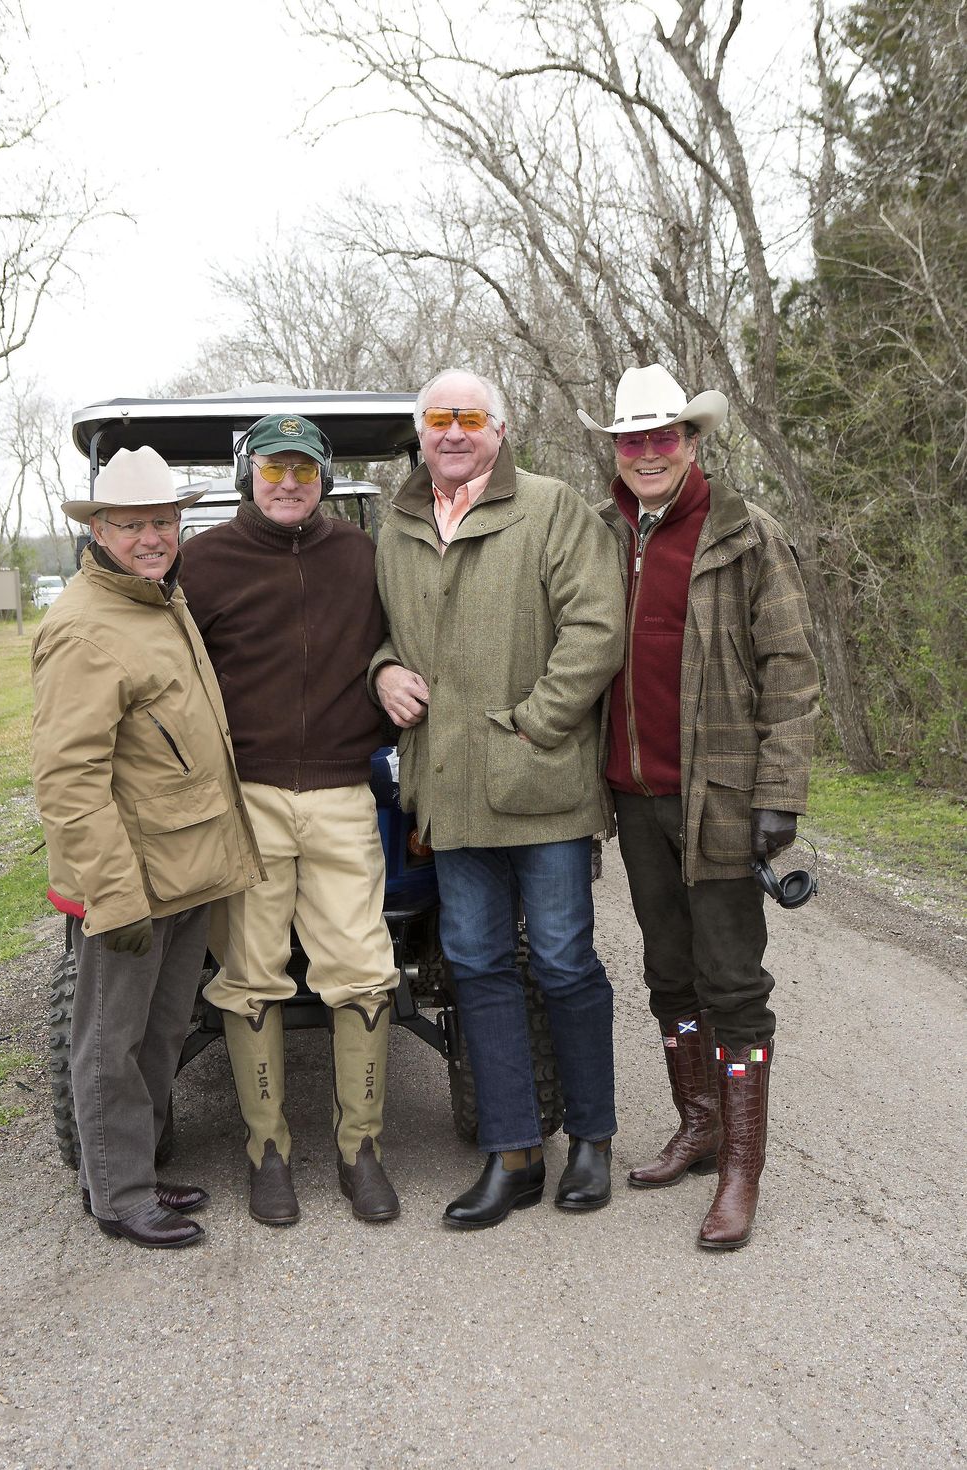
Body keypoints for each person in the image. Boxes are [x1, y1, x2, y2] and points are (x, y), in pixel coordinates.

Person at [370, 369, 625, 1229]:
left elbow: (597, 629)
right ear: (420, 432)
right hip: (448, 792)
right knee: (476, 965)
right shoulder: (398, 524)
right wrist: (383, 673)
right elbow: (381, 634)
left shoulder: (553, 509)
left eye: (470, 418)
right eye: (439, 418)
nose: (453, 432)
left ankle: (590, 1140)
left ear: (501, 429)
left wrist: (533, 727)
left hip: (540, 785)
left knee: (561, 961)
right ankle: (512, 1153)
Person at [578, 364, 820, 1250]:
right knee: (668, 973)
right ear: (617, 449)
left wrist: (778, 793)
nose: (648, 453)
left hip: (719, 796)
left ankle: (741, 1170)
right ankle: (700, 1122)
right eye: (632, 440)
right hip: (631, 793)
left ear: (690, 442)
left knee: (732, 983)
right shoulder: (598, 535)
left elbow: (792, 669)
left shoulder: (746, 533)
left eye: (663, 437)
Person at [31, 446, 264, 1250]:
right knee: (110, 1041)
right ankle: (118, 1195)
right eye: (130, 525)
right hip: (129, 878)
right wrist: (113, 894)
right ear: (98, 530)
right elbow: (69, 779)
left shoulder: (160, 599)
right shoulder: (83, 627)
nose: (151, 537)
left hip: (184, 866)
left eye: (161, 521)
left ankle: (135, 1166)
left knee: (162, 1032)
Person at [180, 413, 401, 1227]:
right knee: (248, 973)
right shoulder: (202, 564)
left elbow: (404, 641)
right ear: (249, 477)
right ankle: (267, 1151)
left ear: (324, 479)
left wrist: (390, 675)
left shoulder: (365, 556)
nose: (288, 484)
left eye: (304, 471)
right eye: (273, 469)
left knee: (363, 969)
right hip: (247, 796)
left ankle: (360, 1150)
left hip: (343, 793)